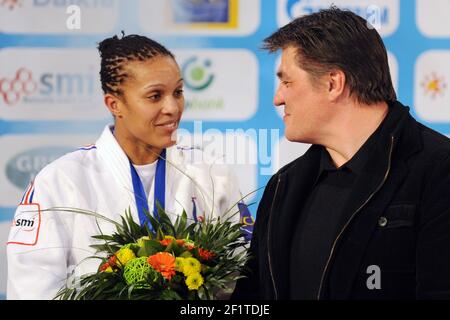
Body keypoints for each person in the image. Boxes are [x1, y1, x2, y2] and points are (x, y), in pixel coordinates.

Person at [232, 7, 450, 300]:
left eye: (286, 81)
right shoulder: (283, 186)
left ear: (333, 83)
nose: (277, 98)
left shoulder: (439, 170)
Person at [7, 34, 246, 300]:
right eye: (155, 96)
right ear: (115, 104)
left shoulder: (212, 174)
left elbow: (241, 278)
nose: (172, 107)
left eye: (177, 92)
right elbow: (32, 290)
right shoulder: (60, 181)